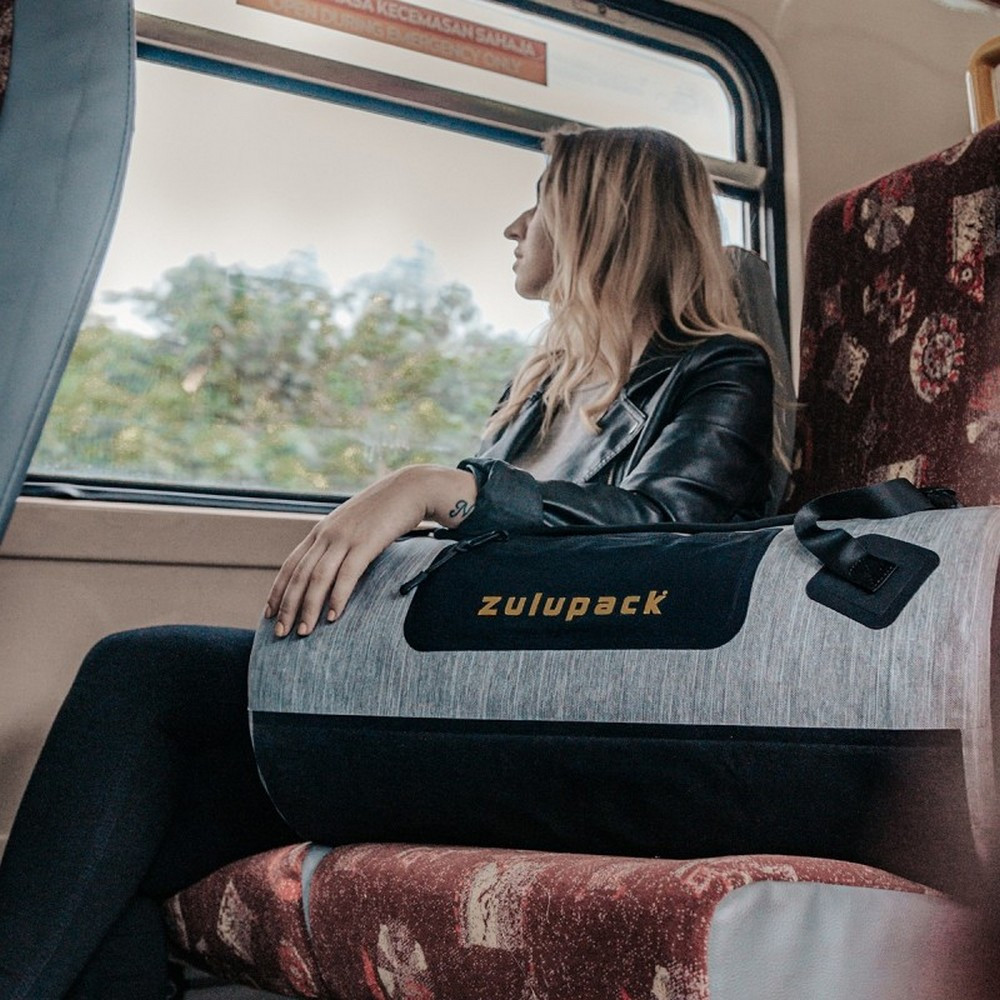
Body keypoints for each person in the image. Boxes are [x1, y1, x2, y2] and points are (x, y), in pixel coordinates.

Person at [0, 126, 776, 999]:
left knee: (146, 671)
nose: (515, 227)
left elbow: (675, 535)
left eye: (539, 203)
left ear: (599, 218)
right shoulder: (541, 390)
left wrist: (435, 488)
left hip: (553, 706)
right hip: (451, 680)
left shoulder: (719, 369)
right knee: (127, 828)